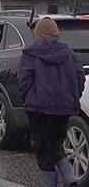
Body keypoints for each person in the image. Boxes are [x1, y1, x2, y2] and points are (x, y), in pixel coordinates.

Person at [18, 17, 84, 187]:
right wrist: (72, 97)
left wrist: (28, 99)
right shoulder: (69, 53)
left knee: (42, 149)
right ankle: (70, 181)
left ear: (37, 32)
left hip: (39, 109)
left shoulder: (31, 53)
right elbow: (80, 78)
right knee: (56, 146)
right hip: (64, 108)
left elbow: (24, 81)